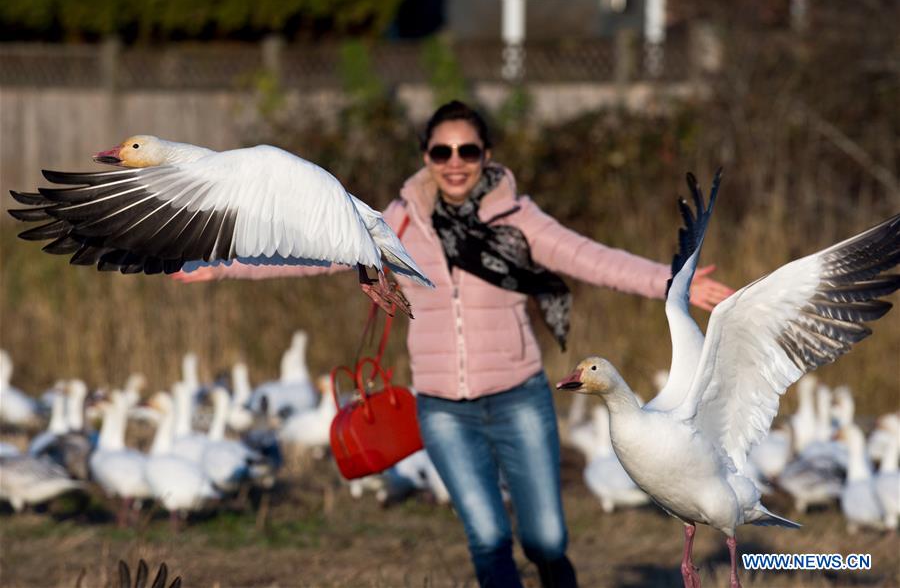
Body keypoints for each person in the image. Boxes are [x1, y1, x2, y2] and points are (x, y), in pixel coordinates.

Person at [174, 100, 732, 587]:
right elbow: (314, 255)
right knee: (488, 538)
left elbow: (590, 259)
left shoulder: (518, 217)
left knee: (543, 538)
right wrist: (223, 265)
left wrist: (672, 282)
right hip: (442, 407)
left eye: (468, 150)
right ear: (426, 157)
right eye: (442, 152)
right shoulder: (395, 221)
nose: (456, 162)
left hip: (519, 397)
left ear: (486, 154)